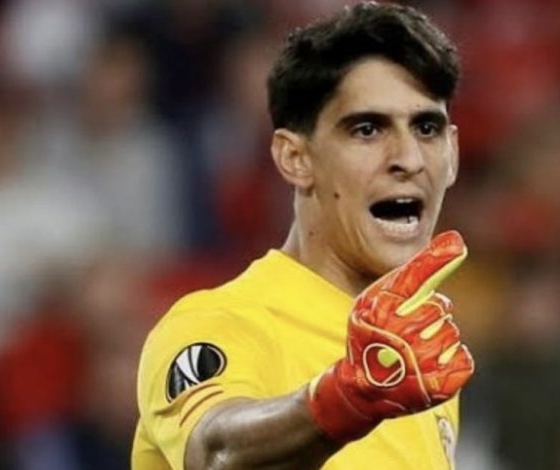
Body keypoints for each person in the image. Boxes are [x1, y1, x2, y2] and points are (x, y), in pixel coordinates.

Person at [132, 3, 474, 469]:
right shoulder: (220, 322)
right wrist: (347, 399)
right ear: (295, 158)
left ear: (452, 153)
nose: (409, 159)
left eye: (427, 128)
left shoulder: (415, 360)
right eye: (368, 129)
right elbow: (216, 451)